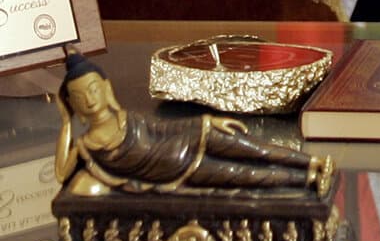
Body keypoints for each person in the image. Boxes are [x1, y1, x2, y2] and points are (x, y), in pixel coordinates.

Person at [55, 53, 334, 195]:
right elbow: (60, 175)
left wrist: (207, 121)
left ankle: (312, 163)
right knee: (240, 176)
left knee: (253, 149)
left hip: (191, 137)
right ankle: (307, 180)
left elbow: (166, 128)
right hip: (177, 171)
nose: (90, 101)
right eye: (79, 98)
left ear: (105, 88)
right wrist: (66, 121)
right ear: (72, 103)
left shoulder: (128, 120)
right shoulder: (86, 146)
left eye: (93, 90)